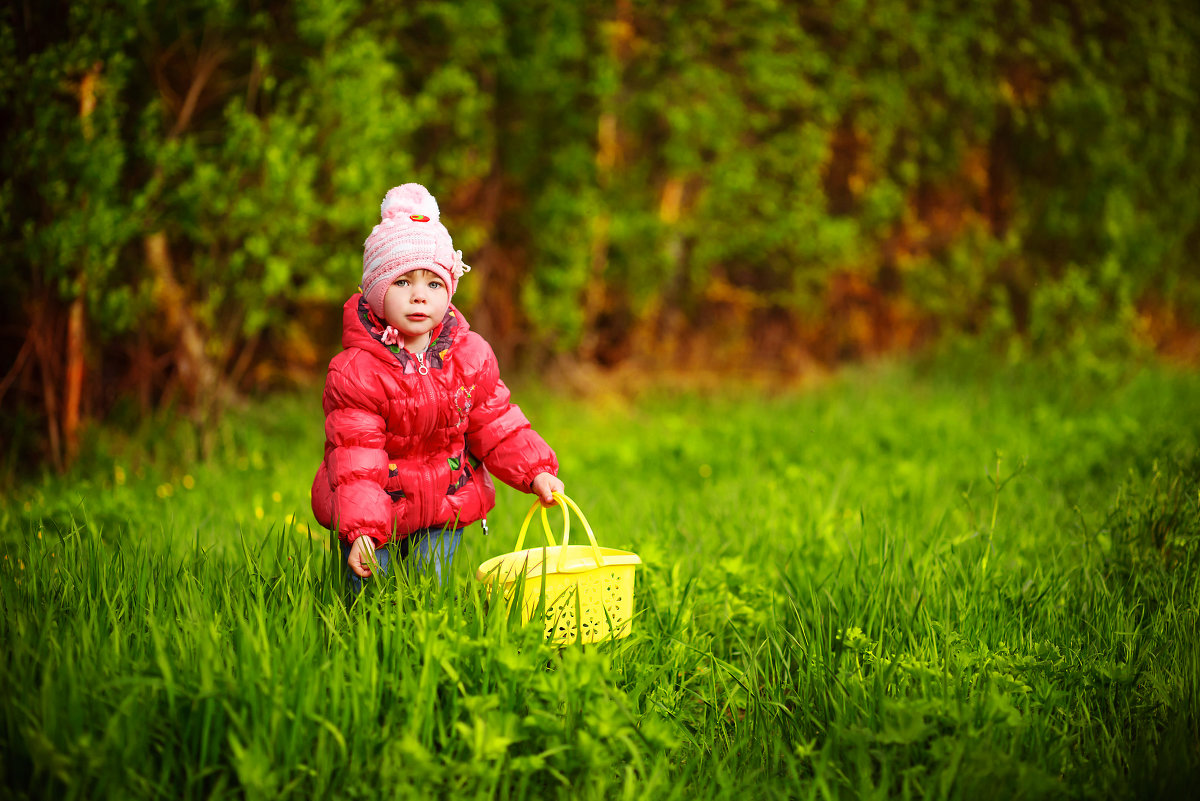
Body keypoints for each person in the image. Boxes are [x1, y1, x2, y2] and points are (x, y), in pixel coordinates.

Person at [311, 183, 563, 591]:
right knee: (368, 593)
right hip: (380, 506)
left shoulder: (469, 355)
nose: (418, 297)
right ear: (375, 291)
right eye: (402, 283)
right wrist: (360, 527)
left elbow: (496, 423)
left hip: (445, 502)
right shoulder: (357, 371)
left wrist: (535, 472)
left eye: (433, 284)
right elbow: (355, 456)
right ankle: (364, 640)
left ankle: (427, 641)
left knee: (429, 591)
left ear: (449, 289)